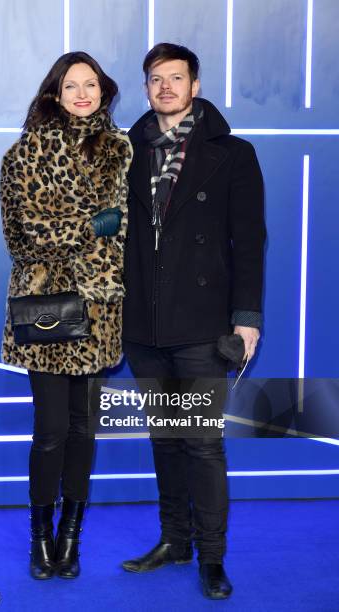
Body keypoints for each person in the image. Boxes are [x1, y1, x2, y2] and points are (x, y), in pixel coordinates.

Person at [121, 43, 266, 599]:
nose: (165, 88)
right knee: (165, 440)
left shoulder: (233, 154)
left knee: (201, 442)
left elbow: (249, 243)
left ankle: (211, 557)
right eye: (155, 79)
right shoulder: (125, 152)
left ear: (195, 85)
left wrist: (246, 318)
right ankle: (174, 542)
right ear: (147, 88)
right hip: (144, 325)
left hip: (204, 324)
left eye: (175, 78)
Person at [0, 51, 132, 580]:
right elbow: (24, 239)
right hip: (48, 306)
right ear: (54, 93)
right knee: (50, 430)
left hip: (100, 307)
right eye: (71, 85)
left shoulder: (121, 150)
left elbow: (126, 229)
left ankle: (70, 537)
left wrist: (90, 226)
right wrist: (91, 226)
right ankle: (40, 538)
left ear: (103, 90)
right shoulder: (24, 154)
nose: (82, 93)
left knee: (83, 432)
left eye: (91, 84)